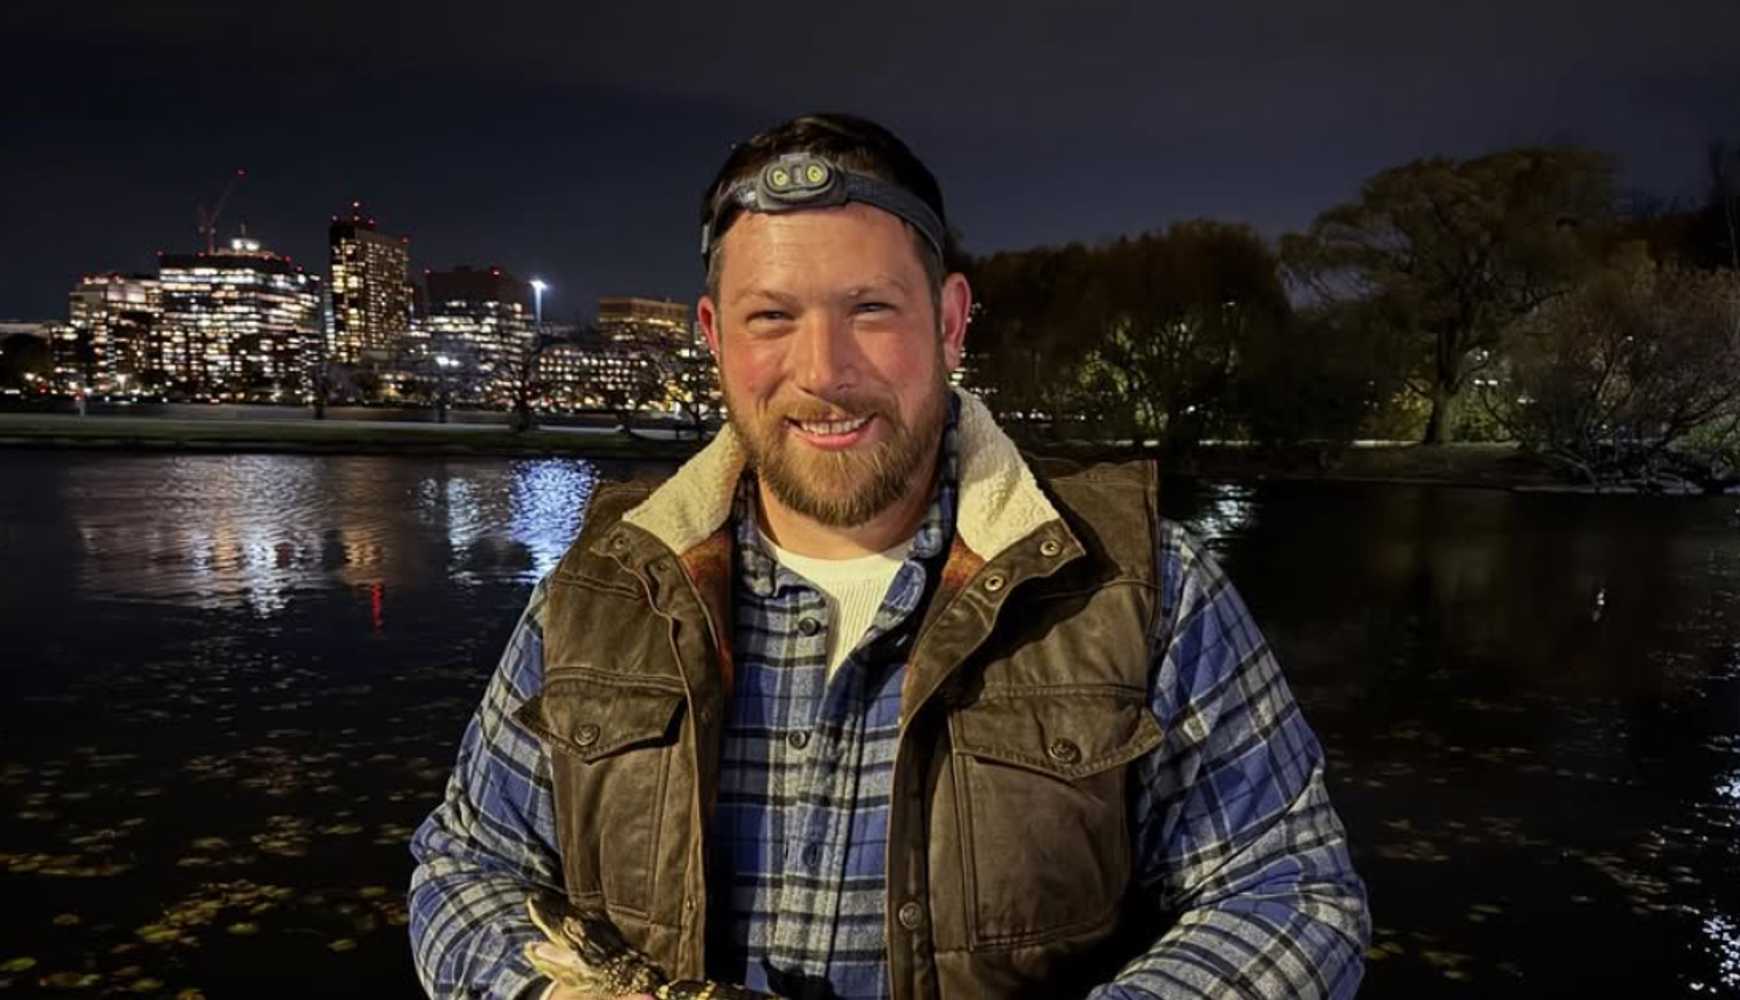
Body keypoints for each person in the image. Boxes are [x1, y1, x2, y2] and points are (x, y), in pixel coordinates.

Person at [409, 112, 1370, 1000]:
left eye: (870, 308)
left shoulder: (1143, 590)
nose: (823, 371)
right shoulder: (596, 591)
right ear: (714, 339)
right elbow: (467, 866)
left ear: (950, 322)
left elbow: (1290, 890)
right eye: (771, 318)